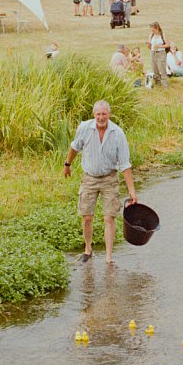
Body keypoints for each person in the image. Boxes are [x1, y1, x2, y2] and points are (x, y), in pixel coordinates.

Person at [63, 101, 138, 268]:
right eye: (98, 114)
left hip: (109, 178)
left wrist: (132, 192)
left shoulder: (118, 133)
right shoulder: (84, 128)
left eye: (104, 114)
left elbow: (125, 164)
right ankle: (88, 249)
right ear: (93, 114)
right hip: (89, 177)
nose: (101, 117)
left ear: (109, 115)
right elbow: (75, 147)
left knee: (109, 218)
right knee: (87, 216)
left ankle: (109, 258)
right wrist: (67, 165)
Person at [147, 22, 169, 88]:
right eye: (151, 28)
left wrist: (159, 46)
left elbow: (168, 44)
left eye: (153, 28)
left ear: (157, 28)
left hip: (161, 53)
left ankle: (165, 85)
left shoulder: (162, 35)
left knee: (162, 69)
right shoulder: (151, 35)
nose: (151, 29)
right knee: (154, 69)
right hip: (153, 53)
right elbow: (149, 47)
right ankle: (158, 84)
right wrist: (148, 45)